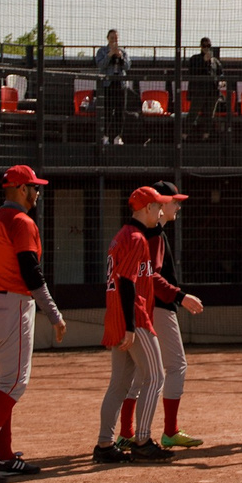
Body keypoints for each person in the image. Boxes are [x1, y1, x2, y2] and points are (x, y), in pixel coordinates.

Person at [0, 164, 67, 479]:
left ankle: (6, 456)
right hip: (12, 306)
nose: (37, 193)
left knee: (0, 386)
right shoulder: (21, 221)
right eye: (34, 188)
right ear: (22, 190)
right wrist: (53, 313)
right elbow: (30, 271)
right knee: (13, 385)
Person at [95, 186, 179, 463]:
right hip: (134, 317)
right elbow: (128, 283)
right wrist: (132, 326)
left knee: (118, 385)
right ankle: (142, 440)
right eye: (156, 207)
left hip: (116, 316)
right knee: (155, 377)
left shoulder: (121, 237)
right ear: (146, 209)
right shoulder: (136, 238)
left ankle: (105, 445)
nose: (159, 212)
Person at [142, 182, 207, 448]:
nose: (178, 206)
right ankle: (169, 430)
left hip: (143, 306)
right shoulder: (155, 234)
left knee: (137, 374)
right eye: (174, 201)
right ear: (160, 203)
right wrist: (180, 296)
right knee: (176, 366)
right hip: (159, 306)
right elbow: (152, 276)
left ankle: (124, 434)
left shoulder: (140, 232)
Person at [95, 29, 132, 146]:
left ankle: (117, 136)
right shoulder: (102, 51)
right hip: (108, 84)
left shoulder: (123, 52)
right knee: (107, 111)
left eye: (116, 38)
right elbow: (101, 65)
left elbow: (127, 66)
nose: (114, 41)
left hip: (120, 84)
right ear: (108, 39)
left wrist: (120, 57)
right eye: (112, 38)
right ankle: (105, 136)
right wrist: (110, 55)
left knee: (120, 112)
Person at [188, 37, 227, 133]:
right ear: (201, 46)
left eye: (208, 46)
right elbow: (192, 71)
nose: (206, 48)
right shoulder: (195, 58)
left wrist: (221, 82)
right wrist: (203, 61)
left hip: (212, 92)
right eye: (204, 46)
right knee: (193, 113)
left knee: (209, 115)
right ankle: (185, 134)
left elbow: (221, 73)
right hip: (199, 92)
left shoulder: (215, 61)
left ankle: (206, 135)